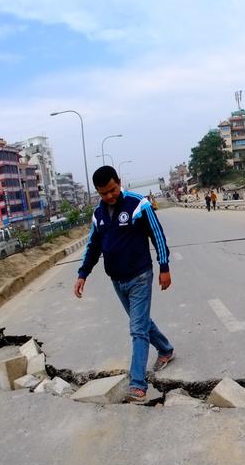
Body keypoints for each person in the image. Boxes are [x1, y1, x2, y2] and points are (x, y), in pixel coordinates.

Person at [74, 165, 175, 404]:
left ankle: (137, 384)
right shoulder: (98, 213)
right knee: (141, 322)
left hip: (140, 275)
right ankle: (166, 349)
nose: (109, 196)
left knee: (137, 329)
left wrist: (164, 267)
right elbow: (93, 246)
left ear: (119, 182)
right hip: (117, 280)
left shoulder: (139, 204)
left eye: (112, 189)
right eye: (103, 193)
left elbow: (157, 235)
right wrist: (82, 274)